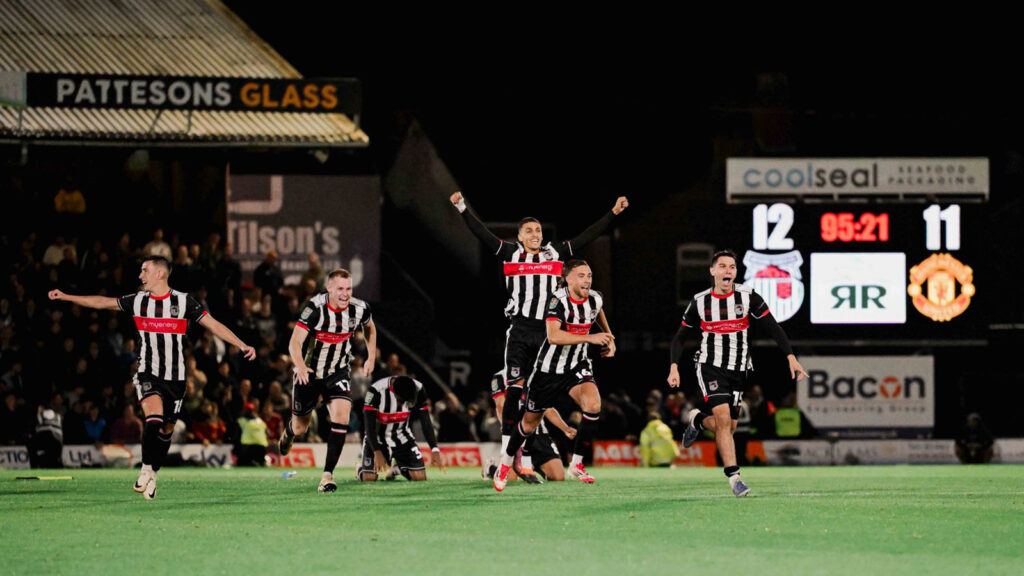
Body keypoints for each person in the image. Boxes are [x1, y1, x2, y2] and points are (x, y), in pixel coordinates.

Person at [450, 191, 627, 481]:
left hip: (548, 331)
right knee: (515, 389)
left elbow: (587, 236)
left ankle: (529, 456)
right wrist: (461, 207)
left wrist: (613, 213)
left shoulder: (554, 253)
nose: (535, 234)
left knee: (538, 395)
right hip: (520, 330)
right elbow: (481, 234)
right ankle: (508, 452)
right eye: (529, 230)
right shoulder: (510, 253)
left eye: (538, 230)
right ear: (520, 236)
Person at [48, 255, 256, 499]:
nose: (140, 275)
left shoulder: (183, 301)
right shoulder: (138, 301)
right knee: (153, 418)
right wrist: (67, 296)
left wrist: (241, 344)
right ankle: (146, 468)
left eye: (145, 270)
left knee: (166, 431)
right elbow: (103, 302)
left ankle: (153, 474)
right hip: (148, 372)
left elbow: (213, 324)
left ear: (160, 274)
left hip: (176, 379)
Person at [667, 249, 808, 497]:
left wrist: (790, 356)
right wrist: (674, 366)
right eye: (722, 266)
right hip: (710, 366)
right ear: (712, 271)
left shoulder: (748, 296)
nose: (728, 271)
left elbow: (773, 326)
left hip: (740, 369)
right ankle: (735, 478)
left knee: (728, 428)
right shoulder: (700, 301)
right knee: (723, 420)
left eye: (732, 267)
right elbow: (680, 337)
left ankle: (698, 420)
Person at [494, 260, 615, 491]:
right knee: (529, 424)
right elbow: (553, 336)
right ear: (567, 279)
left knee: (593, 405)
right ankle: (506, 462)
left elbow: (598, 311)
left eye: (589, 275)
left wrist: (610, 338)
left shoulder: (595, 298)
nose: (587, 280)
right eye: (581, 276)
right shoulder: (557, 300)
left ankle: (576, 464)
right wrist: (590, 338)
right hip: (548, 369)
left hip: (577, 365)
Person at [277, 268, 376, 493]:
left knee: (341, 417)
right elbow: (294, 342)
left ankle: (327, 476)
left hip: (337, 372)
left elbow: (369, 327)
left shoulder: (359, 308)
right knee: (301, 427)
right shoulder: (314, 308)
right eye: (340, 288)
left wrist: (371, 356)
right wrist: (300, 366)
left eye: (348, 288)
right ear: (329, 288)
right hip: (309, 373)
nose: (345, 294)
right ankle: (290, 432)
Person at [357, 375, 445, 482]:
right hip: (378, 439)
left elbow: (425, 421)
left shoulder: (419, 389)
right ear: (393, 390)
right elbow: (369, 426)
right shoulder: (375, 391)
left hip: (402, 437)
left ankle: (397, 468)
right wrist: (377, 451)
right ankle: (360, 468)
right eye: (400, 400)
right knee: (369, 479)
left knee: (420, 478)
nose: (402, 404)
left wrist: (434, 449)